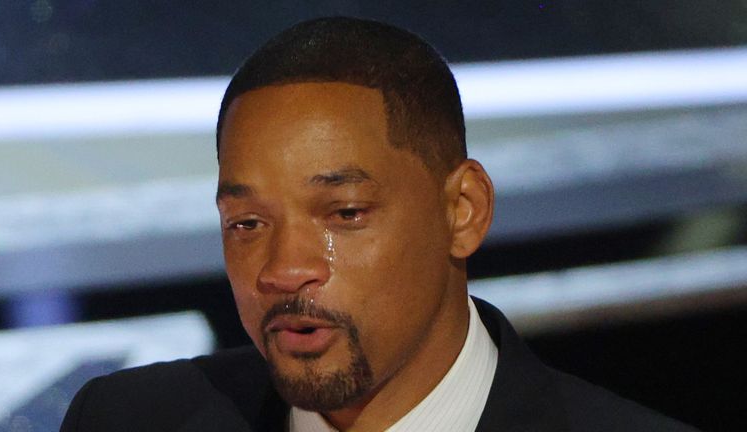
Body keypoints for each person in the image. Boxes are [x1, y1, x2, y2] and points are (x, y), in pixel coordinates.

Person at [60, 17, 698, 432]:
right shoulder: (125, 420)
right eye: (247, 223)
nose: (284, 269)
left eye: (345, 213)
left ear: (463, 210)